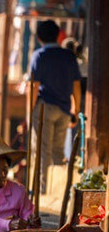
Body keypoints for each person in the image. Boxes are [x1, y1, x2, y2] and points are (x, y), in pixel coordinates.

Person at [29, 20, 82, 192]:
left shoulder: (39, 55)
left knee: (43, 151)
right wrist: (76, 109)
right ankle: (61, 191)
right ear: (59, 35)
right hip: (64, 109)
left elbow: (34, 86)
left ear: (38, 38)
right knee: (58, 152)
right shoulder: (69, 56)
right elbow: (76, 87)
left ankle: (41, 192)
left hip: (45, 107)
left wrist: (30, 111)